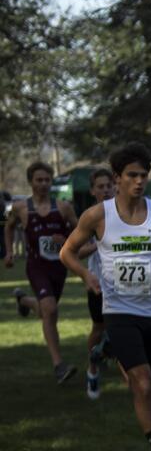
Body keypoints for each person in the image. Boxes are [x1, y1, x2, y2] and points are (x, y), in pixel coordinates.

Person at [60, 142, 151, 451]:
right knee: (144, 384)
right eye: (131, 175)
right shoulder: (98, 216)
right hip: (117, 310)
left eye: (143, 175)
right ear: (116, 178)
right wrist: (88, 276)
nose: (139, 181)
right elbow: (67, 252)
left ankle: (107, 348)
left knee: (146, 385)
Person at [5, 160, 80, 381]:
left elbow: (80, 231)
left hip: (59, 267)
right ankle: (59, 366)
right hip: (36, 266)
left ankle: (24, 301)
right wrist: (9, 252)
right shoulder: (21, 208)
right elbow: (8, 227)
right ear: (30, 182)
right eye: (39, 180)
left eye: (47, 180)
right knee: (50, 309)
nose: (44, 184)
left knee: (47, 310)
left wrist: (65, 239)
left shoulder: (63, 207)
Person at [77, 168, 115, 400]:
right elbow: (76, 252)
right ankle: (92, 370)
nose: (105, 190)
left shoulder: (126, 213)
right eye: (100, 186)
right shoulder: (89, 217)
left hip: (124, 283)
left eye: (108, 185)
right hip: (98, 282)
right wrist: (98, 244)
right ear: (93, 191)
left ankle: (137, 382)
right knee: (99, 328)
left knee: (125, 328)